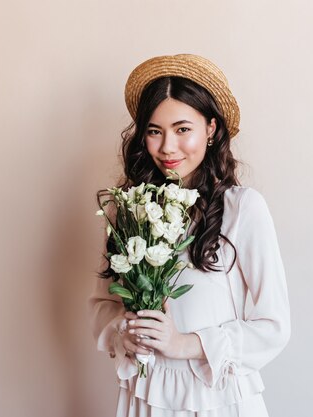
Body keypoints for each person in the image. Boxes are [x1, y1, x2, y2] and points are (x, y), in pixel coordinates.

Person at [88, 54, 290, 417]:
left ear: (211, 129)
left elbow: (273, 326)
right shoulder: (128, 209)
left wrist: (186, 343)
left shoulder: (242, 208)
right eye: (154, 131)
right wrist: (125, 334)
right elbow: (103, 305)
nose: (167, 147)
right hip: (148, 395)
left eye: (183, 129)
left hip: (218, 398)